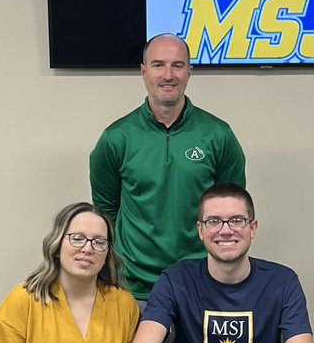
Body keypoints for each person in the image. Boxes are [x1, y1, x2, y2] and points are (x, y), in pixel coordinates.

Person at [108, 183, 314, 343]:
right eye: (214, 221)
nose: (226, 230)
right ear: (200, 230)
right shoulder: (175, 280)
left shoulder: (283, 282)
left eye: (237, 220)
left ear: (253, 228)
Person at [90, 33, 246, 303]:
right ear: (144, 71)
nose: (168, 75)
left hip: (201, 283)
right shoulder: (116, 138)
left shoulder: (218, 135)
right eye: (158, 65)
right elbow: (106, 214)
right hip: (133, 288)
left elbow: (230, 213)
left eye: (177, 65)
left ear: (189, 72)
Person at [0, 202, 140, 343]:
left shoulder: (124, 304)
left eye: (99, 242)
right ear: (56, 246)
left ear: (107, 254)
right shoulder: (22, 301)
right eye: (77, 238)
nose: (88, 249)